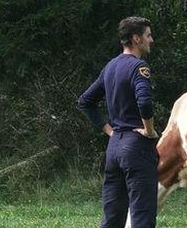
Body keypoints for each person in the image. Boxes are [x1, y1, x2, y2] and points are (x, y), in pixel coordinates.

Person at [77, 16, 159, 228]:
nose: (152, 40)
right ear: (136, 38)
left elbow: (86, 101)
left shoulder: (110, 66)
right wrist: (149, 130)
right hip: (137, 147)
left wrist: (110, 131)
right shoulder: (139, 67)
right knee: (142, 216)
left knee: (112, 218)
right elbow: (145, 102)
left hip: (114, 149)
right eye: (148, 35)